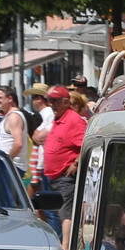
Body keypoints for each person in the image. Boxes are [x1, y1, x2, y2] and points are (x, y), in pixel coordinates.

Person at [33, 85, 87, 239]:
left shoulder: (74, 120)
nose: (51, 104)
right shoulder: (59, 118)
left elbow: (87, 144)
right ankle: (59, 242)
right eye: (49, 100)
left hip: (64, 176)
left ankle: (66, 249)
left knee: (66, 214)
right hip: (52, 176)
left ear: (65, 102)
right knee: (55, 213)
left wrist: (75, 163)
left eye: (55, 101)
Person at [0, 86, 30, 184]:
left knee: (9, 198)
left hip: (12, 167)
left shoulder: (14, 117)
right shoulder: (9, 116)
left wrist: (6, 160)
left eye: (0, 97)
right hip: (10, 166)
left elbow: (18, 143)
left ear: (10, 99)